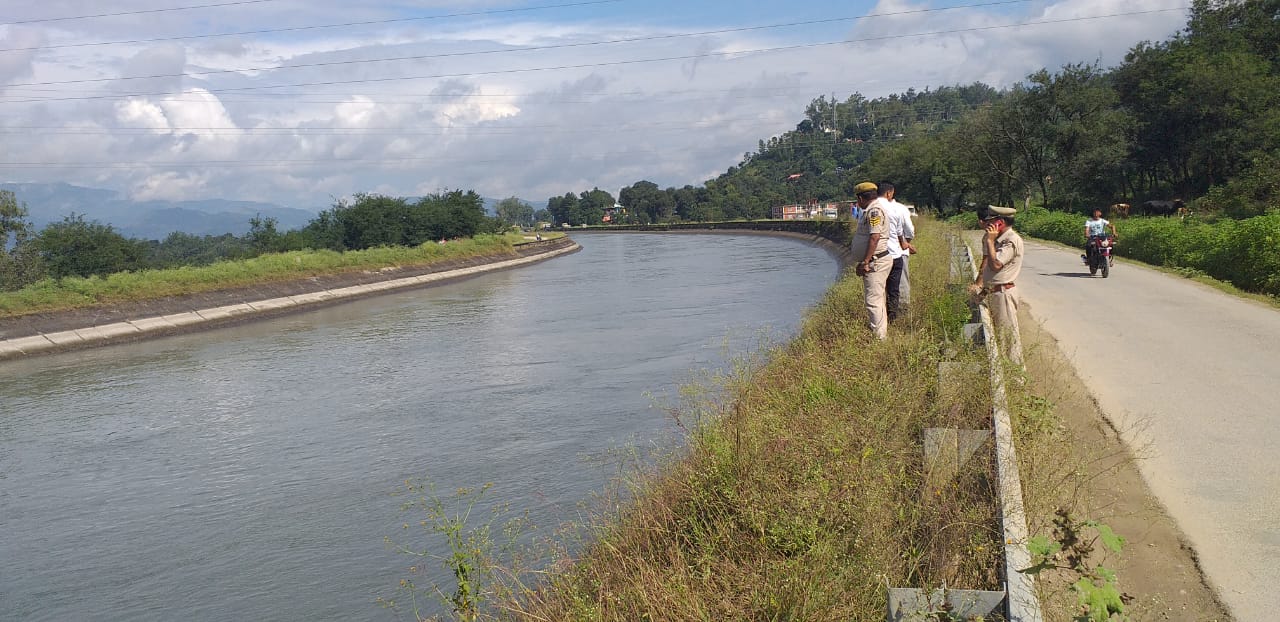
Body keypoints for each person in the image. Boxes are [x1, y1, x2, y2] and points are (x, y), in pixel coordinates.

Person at [968, 205, 1024, 365]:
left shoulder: (1011, 240)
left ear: (1000, 222)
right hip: (994, 292)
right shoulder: (1000, 239)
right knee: (999, 337)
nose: (988, 225)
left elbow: (995, 265)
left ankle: (1016, 380)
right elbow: (993, 276)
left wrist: (990, 241)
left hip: (1003, 295)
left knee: (1008, 340)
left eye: (991, 221)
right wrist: (982, 293)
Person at [851, 181, 893, 340]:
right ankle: (881, 334)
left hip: (876, 261)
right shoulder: (871, 210)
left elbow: (874, 237)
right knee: (878, 298)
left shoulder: (874, 211)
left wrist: (866, 261)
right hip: (877, 260)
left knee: (873, 301)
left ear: (861, 198)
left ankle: (880, 339)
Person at [878, 182, 917, 320]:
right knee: (900, 286)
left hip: (879, 256)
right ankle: (901, 315)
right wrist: (905, 243)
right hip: (898, 253)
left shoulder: (872, 208)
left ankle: (884, 317)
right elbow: (910, 231)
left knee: (882, 288)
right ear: (890, 193)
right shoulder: (900, 209)